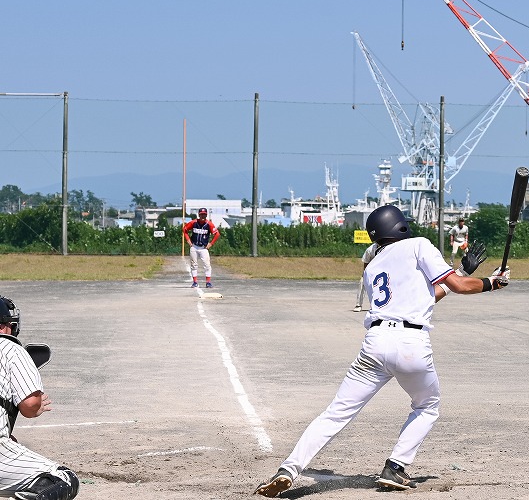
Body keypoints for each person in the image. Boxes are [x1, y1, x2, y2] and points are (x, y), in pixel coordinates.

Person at [254, 205, 508, 497]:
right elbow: (459, 287)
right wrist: (492, 282)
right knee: (427, 406)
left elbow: (424, 298)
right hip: (411, 344)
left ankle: (288, 468)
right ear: (401, 227)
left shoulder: (372, 267)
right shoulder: (419, 245)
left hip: (375, 344)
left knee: (336, 413)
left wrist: (462, 271)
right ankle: (395, 467)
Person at [0, 296, 80, 500]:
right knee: (62, 479)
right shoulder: (10, 348)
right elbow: (29, 405)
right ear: (4, 326)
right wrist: (37, 406)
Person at [183, 207, 220, 288]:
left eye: (204, 215)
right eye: (201, 214)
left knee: (207, 265)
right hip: (194, 246)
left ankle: (208, 282)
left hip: (203, 248)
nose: (203, 216)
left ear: (206, 215)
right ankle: (195, 282)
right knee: (194, 265)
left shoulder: (209, 224)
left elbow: (217, 234)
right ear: (199, 215)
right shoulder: (194, 222)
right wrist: (188, 240)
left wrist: (211, 243)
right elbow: (185, 229)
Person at [352, 242, 379, 312]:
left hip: (383, 271)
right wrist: (365, 275)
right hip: (371, 271)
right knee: (361, 282)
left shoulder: (388, 248)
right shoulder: (370, 250)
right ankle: (358, 305)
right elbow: (366, 264)